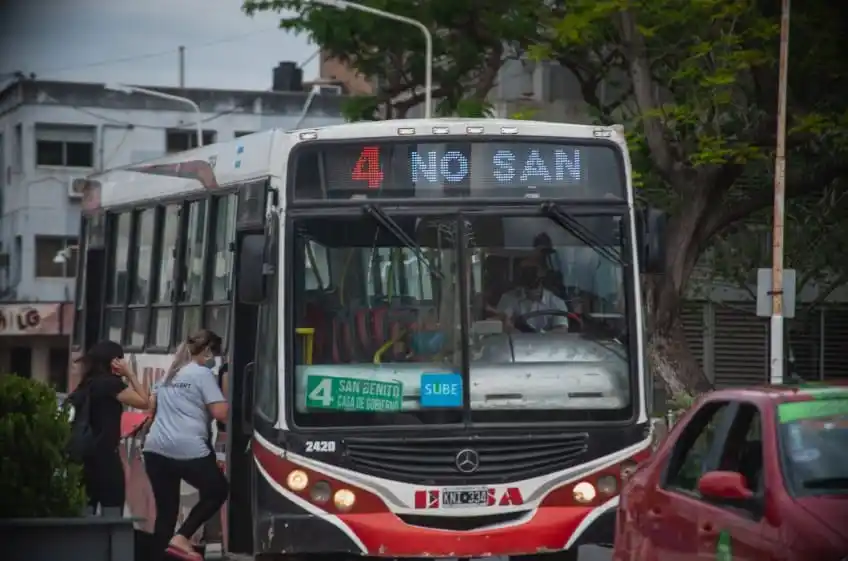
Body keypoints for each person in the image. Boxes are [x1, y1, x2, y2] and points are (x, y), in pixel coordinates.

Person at [143, 329, 229, 561]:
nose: (217, 359)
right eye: (217, 353)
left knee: (166, 512)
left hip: (155, 450)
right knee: (217, 490)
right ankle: (183, 536)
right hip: (188, 449)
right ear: (208, 351)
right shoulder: (201, 374)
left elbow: (153, 408)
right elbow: (221, 413)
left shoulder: (169, 375)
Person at [69, 340, 150, 515]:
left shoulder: (84, 386)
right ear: (114, 361)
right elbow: (145, 402)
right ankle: (110, 541)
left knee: (85, 509)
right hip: (106, 457)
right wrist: (130, 375)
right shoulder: (110, 384)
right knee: (112, 509)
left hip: (83, 457)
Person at [495, 258, 570, 332]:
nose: (529, 275)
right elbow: (501, 323)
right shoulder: (508, 298)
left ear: (542, 273)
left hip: (548, 343)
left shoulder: (556, 302)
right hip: (516, 342)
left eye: (533, 270)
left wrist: (540, 338)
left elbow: (561, 330)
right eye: (525, 270)